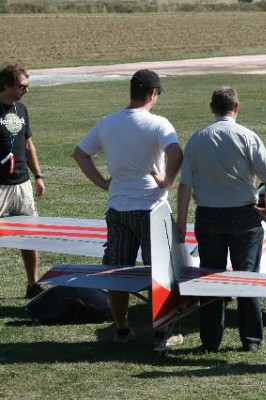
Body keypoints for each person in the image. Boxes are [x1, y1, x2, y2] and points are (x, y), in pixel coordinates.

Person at [73, 69, 183, 344]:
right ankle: (162, 331)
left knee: (117, 271)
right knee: (160, 271)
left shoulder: (108, 122)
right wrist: (167, 181)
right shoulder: (159, 124)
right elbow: (175, 153)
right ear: (152, 94)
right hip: (152, 209)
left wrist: (103, 183)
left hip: (119, 208)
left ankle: (122, 328)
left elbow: (81, 154)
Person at [176, 86, 266, 352]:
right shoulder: (247, 136)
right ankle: (251, 339)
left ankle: (211, 340)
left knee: (210, 279)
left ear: (212, 108)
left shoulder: (197, 138)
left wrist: (181, 221)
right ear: (236, 108)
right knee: (247, 277)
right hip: (244, 215)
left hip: (208, 215)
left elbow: (185, 185)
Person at [0, 63, 46, 299]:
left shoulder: (21, 109)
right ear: (6, 85)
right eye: (21, 86)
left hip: (22, 183)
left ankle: (33, 283)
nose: (26, 90)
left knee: (29, 234)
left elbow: (28, 145)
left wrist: (38, 176)